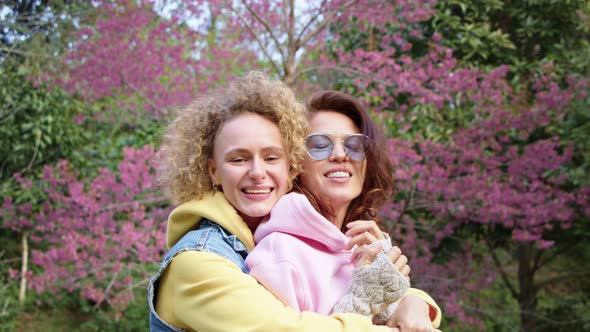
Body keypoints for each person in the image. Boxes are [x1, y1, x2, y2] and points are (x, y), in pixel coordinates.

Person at [148, 71, 441, 331]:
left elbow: (401, 307)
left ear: (290, 166)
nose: (257, 173)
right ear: (213, 170)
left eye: (271, 157)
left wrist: (414, 302)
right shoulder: (198, 261)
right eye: (238, 159)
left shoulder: (305, 239)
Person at [246, 90, 441, 330]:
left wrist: (411, 302)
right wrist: (364, 297)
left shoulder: (367, 244)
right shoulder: (280, 252)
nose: (340, 155)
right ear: (295, 163)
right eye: (319, 145)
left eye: (354, 145)